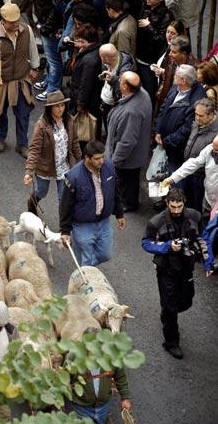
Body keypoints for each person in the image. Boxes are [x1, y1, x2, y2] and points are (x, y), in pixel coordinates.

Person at [142, 188, 214, 359]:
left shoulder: (194, 216)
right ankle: (171, 342)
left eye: (179, 206)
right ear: (167, 203)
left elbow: (203, 238)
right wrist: (167, 247)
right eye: (172, 206)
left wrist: (208, 263)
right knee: (170, 307)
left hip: (187, 266)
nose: (175, 210)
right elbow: (146, 243)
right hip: (166, 268)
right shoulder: (156, 222)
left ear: (184, 203)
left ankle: (167, 313)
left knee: (186, 301)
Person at [0, 2, 40, 159]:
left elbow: (32, 50)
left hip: (21, 80)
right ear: (3, 20)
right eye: (12, 22)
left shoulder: (26, 30)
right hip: (2, 81)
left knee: (23, 113)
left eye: (17, 20)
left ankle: (22, 144)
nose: (16, 24)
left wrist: (35, 68)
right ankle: (0, 138)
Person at [59, 140, 126, 266]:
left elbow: (115, 192)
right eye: (97, 158)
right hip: (83, 225)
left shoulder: (109, 167)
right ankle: (86, 276)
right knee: (86, 259)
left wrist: (120, 213)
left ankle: (86, 269)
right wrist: (65, 231)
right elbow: (65, 205)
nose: (101, 161)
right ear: (87, 158)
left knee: (106, 255)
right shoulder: (74, 177)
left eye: (102, 157)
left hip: (104, 222)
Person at [70, 350, 132, 424]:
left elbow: (120, 375)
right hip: (82, 407)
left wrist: (125, 397)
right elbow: (65, 378)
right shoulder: (73, 357)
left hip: (103, 406)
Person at [24, 90, 81, 213]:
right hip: (46, 167)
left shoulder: (69, 120)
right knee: (41, 191)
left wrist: (80, 162)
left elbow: (75, 142)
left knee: (64, 198)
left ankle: (64, 228)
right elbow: (34, 150)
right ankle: (32, 202)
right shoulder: (41, 125)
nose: (60, 109)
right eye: (57, 106)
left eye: (62, 105)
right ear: (50, 108)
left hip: (64, 166)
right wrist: (29, 171)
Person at [105, 71, 152, 212]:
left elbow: (127, 142)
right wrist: (113, 80)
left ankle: (128, 204)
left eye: (120, 81)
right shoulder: (142, 93)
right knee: (131, 180)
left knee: (127, 182)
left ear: (125, 88)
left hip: (128, 159)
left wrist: (115, 161)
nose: (118, 81)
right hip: (136, 154)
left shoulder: (131, 112)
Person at [125, 0, 172, 104]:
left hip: (150, 63)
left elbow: (163, 41)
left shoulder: (166, 16)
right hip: (137, 57)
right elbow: (136, 1)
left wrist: (149, 27)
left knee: (148, 95)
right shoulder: (145, 5)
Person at [155, 64, 206, 175]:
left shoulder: (197, 101)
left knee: (173, 176)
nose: (173, 77)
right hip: (164, 141)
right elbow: (163, 107)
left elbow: (187, 129)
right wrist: (158, 130)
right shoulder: (176, 88)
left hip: (177, 149)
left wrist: (166, 141)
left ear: (183, 80)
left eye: (176, 76)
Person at [163, 135, 218, 216]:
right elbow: (193, 164)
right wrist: (173, 178)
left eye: (217, 151)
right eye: (214, 148)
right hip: (208, 199)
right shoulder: (210, 149)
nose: (214, 152)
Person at [179, 98, 218, 212]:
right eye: (196, 114)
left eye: (201, 116)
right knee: (187, 201)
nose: (197, 118)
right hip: (189, 170)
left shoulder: (216, 134)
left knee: (197, 206)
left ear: (211, 115)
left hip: (201, 176)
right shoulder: (197, 123)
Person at [69, 25, 103, 130]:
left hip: (87, 102)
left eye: (80, 40)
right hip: (88, 98)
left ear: (87, 42)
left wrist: (80, 104)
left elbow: (86, 83)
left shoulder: (89, 60)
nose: (77, 42)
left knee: (84, 130)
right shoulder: (89, 52)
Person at [99, 43, 136, 135]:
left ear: (106, 58)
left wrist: (114, 80)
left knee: (114, 132)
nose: (101, 59)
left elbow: (124, 92)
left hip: (115, 106)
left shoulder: (126, 70)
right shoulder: (108, 61)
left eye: (101, 57)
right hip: (106, 102)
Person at [150, 21, 187, 111]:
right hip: (161, 87)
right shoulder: (166, 45)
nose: (168, 35)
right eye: (167, 32)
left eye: (172, 33)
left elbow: (178, 74)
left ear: (180, 35)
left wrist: (163, 71)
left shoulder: (180, 54)